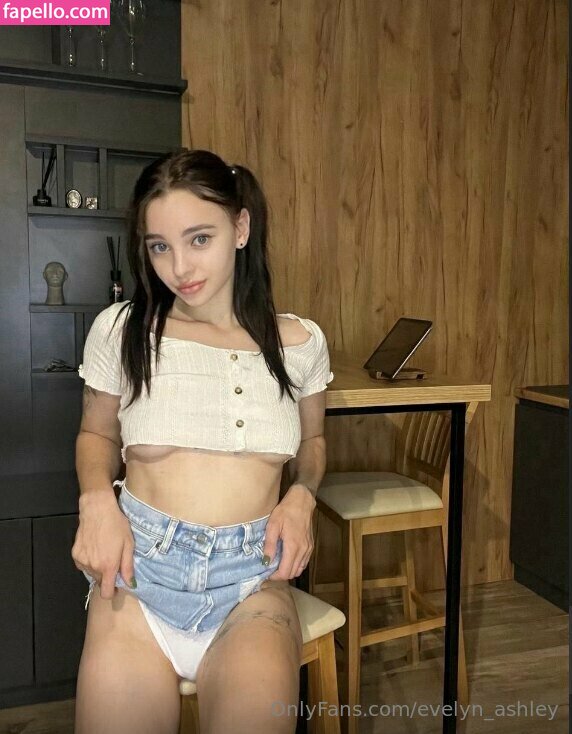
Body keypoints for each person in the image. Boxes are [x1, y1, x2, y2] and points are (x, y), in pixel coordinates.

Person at [72, 148, 334, 734]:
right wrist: (96, 502)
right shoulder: (123, 329)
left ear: (240, 228)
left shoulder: (299, 344)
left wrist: (302, 496)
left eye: (199, 239)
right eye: (159, 246)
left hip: (253, 583)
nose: (179, 266)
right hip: (138, 577)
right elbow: (95, 433)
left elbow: (314, 442)